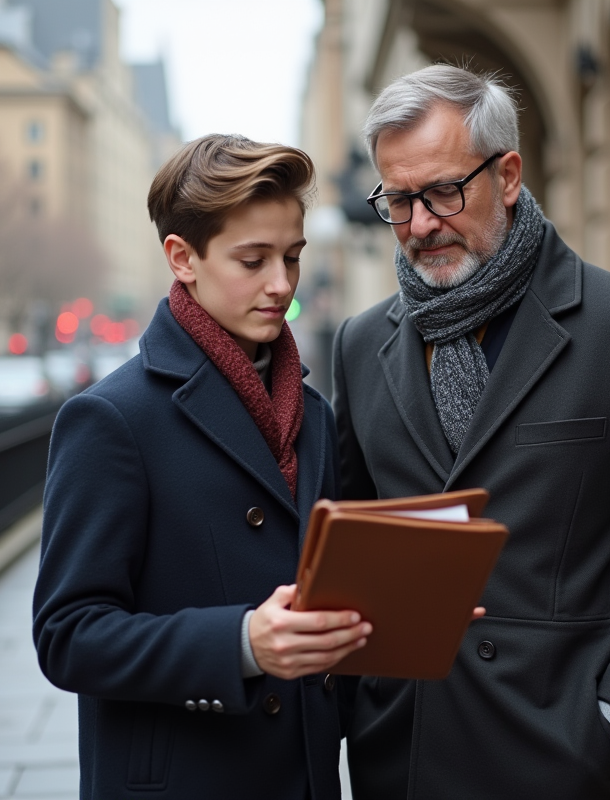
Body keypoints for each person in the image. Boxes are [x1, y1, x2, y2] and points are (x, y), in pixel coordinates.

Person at [333, 65, 610, 799]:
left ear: (510, 174)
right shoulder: (360, 345)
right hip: (403, 761)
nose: (422, 224)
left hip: (566, 766)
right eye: (398, 201)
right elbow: (355, 545)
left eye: (443, 191)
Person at [32, 134, 371, 800]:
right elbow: (67, 635)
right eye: (254, 260)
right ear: (182, 258)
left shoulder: (313, 412)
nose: (282, 285)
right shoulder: (112, 418)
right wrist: (241, 643)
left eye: (293, 257)